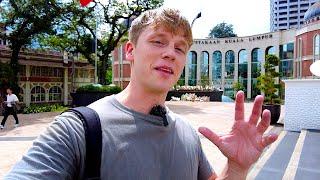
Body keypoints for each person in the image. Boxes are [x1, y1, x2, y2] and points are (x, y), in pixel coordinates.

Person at [5, 8, 278, 179]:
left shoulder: (187, 133)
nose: (171, 53)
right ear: (130, 51)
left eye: (180, 48)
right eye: (158, 41)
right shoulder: (78, 130)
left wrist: (237, 168)